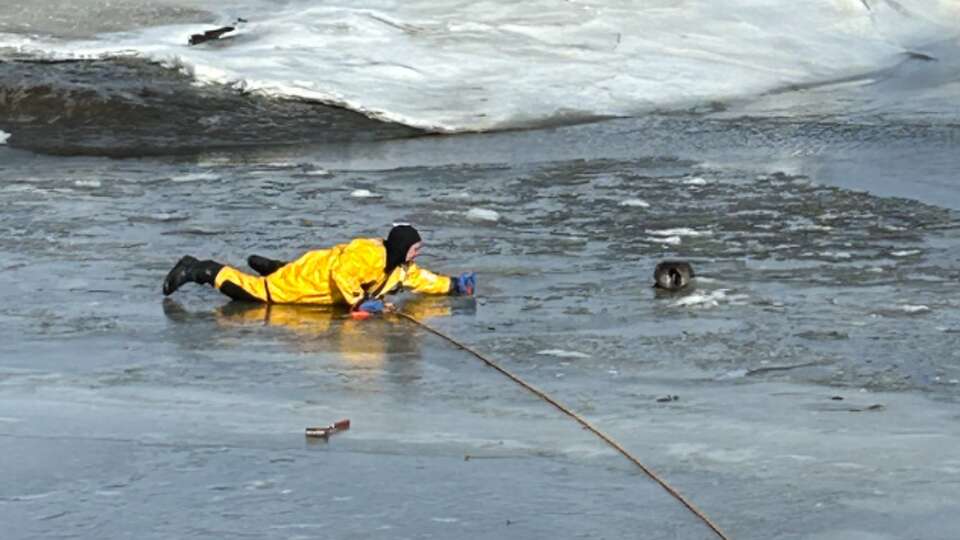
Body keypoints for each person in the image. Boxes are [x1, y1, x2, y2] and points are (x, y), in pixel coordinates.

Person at [161, 224, 477, 314]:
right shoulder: (368, 255)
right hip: (303, 284)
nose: (417, 252)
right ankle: (198, 269)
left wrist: (454, 285)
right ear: (399, 247)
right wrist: (359, 301)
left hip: (314, 274)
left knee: (280, 273)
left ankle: (273, 266)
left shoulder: (400, 268)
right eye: (414, 247)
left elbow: (422, 279)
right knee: (253, 296)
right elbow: (342, 274)